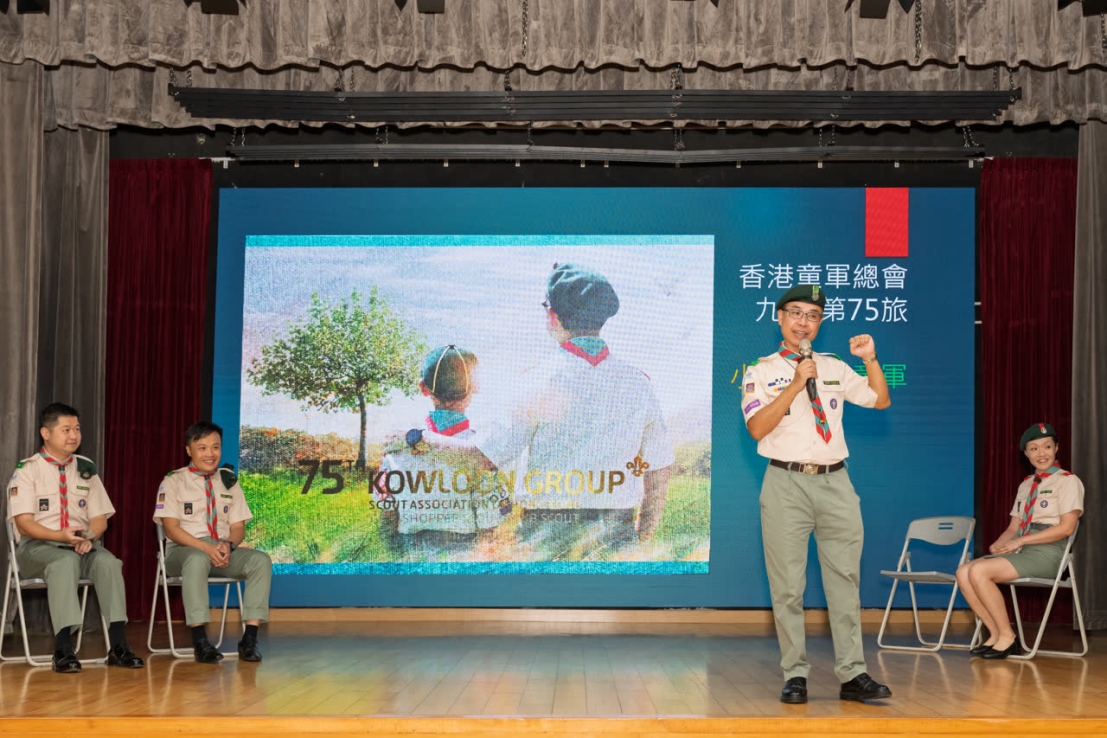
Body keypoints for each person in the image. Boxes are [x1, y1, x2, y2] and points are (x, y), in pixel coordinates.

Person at [741, 284, 892, 704]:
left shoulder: (834, 366)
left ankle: (853, 674)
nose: (803, 322)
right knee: (788, 585)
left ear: (820, 323)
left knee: (845, 580)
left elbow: (880, 400)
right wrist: (794, 384)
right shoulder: (760, 371)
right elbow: (757, 428)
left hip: (835, 482)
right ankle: (795, 674)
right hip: (785, 483)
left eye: (812, 315)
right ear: (780, 317)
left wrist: (870, 359)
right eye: (795, 313)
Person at [471, 263, 674, 560]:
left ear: (552, 315)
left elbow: (484, 457)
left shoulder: (537, 379)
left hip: (545, 538)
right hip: (616, 537)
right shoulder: (639, 384)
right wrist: (640, 538)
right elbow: (658, 468)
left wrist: (419, 440)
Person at [4, 402, 144, 673]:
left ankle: (118, 645)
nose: (74, 435)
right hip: (37, 548)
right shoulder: (27, 470)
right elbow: (25, 524)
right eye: (66, 429)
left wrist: (88, 536)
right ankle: (63, 648)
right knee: (64, 562)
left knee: (109, 562)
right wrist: (60, 536)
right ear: (46, 433)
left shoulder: (86, 469)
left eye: (77, 429)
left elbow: (100, 519)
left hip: (80, 544)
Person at [955, 422, 1084, 660]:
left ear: (1056, 448)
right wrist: (998, 544)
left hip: (1048, 551)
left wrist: (1022, 540)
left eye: (1047, 446)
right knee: (963, 572)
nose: (1041, 453)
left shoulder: (1068, 481)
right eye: (1034, 448)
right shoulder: (1027, 484)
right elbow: (1013, 528)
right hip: (1022, 547)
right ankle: (995, 635)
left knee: (979, 571)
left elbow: (1066, 528)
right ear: (1026, 453)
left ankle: (1008, 637)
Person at [153, 421, 272, 663]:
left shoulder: (229, 481)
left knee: (261, 561)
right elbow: (172, 530)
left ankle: (249, 639)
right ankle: (200, 641)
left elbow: (238, 527)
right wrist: (206, 548)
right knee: (197, 558)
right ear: (189, 450)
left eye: (215, 447)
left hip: (220, 550)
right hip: (184, 550)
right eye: (202, 448)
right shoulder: (174, 481)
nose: (210, 454)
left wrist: (229, 545)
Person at [376, 345, 509, 560]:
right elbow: (489, 528)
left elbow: (387, 515)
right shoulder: (480, 455)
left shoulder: (395, 450)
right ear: (475, 388)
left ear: (423, 388)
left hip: (411, 558)